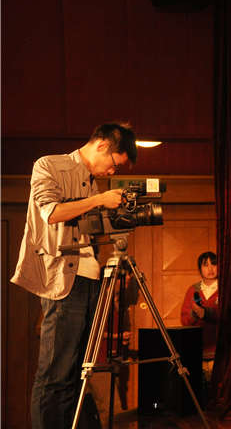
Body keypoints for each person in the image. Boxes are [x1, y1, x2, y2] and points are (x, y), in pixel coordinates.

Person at [11, 123, 137, 429]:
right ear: (102, 146)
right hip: (64, 283)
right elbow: (51, 213)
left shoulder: (92, 183)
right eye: (114, 164)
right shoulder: (49, 165)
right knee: (55, 375)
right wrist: (99, 201)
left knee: (78, 373)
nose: (112, 171)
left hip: (91, 280)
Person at [180, 251, 220, 392]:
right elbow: (184, 320)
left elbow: (230, 315)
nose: (210, 269)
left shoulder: (225, 289)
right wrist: (195, 314)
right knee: (200, 391)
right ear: (200, 269)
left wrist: (206, 313)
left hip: (220, 351)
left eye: (213, 264)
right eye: (205, 265)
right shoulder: (193, 290)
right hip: (198, 351)